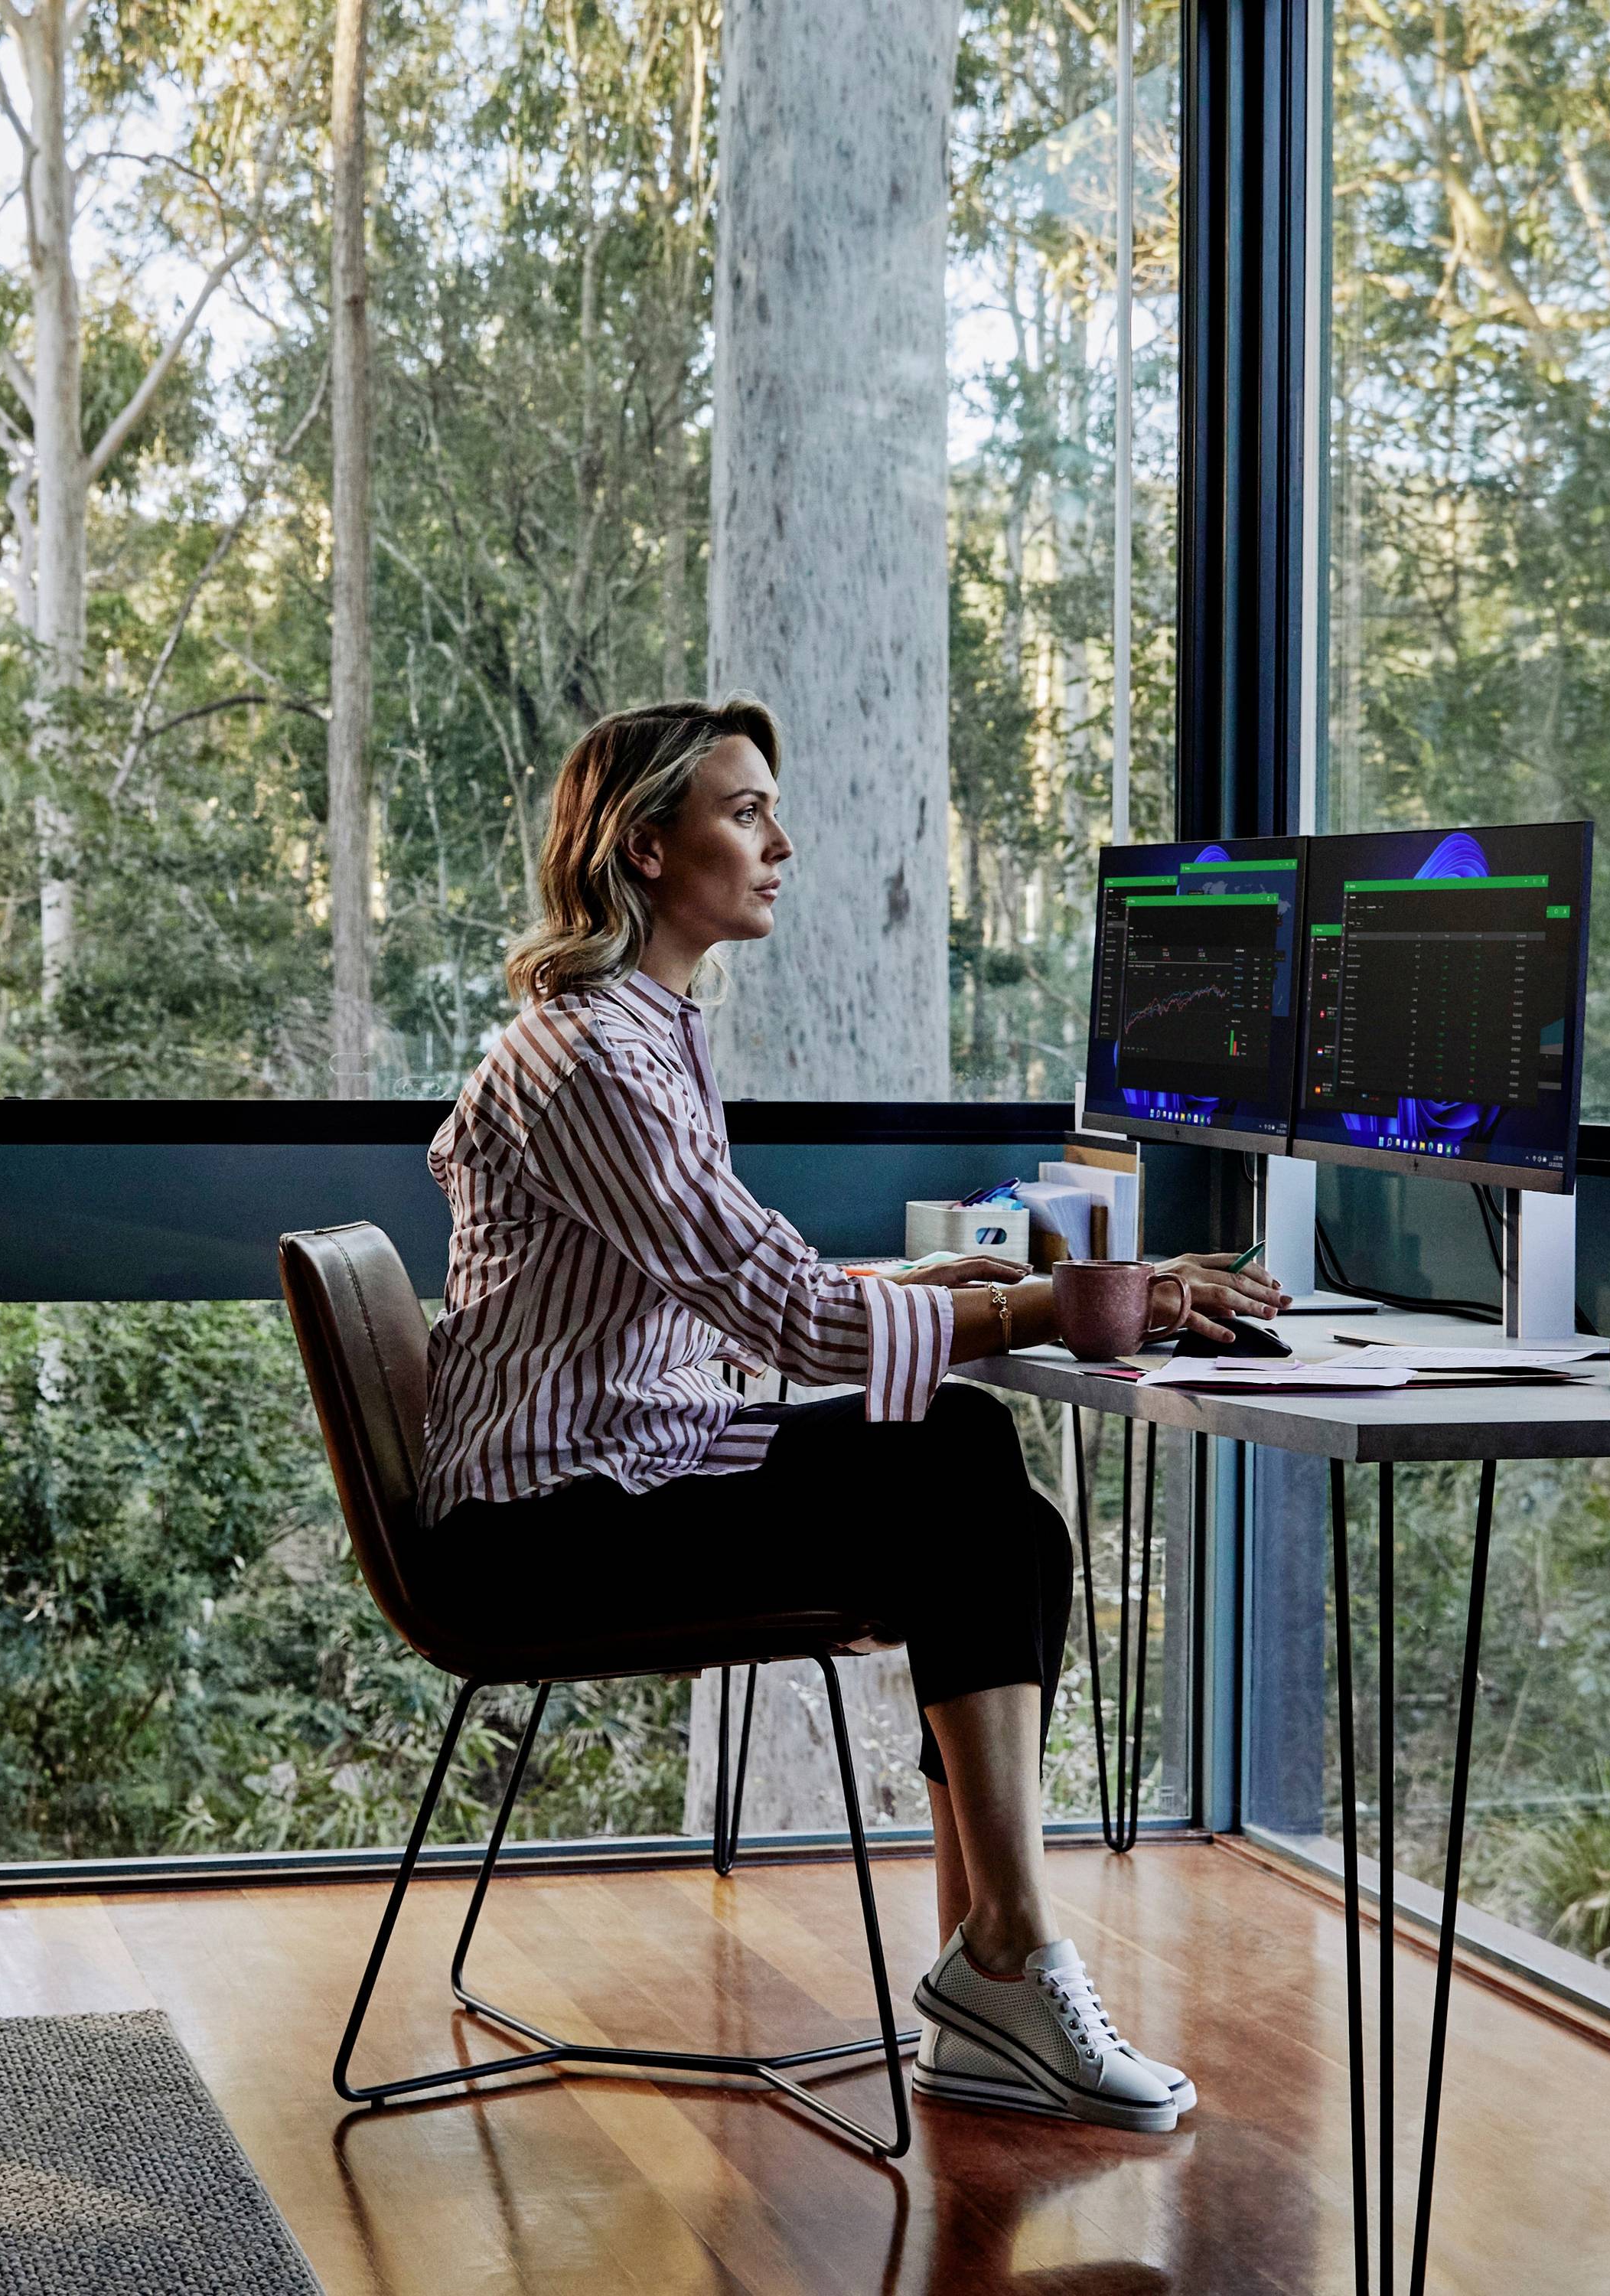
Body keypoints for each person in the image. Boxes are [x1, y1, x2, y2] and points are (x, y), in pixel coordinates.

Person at [425, 696, 1288, 2134]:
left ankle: (988, 1980)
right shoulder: (591, 1062)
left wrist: (931, 1285)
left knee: (1011, 1528)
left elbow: (732, 1285)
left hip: (624, 1474)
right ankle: (1010, 1962)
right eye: (745, 812)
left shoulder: (640, 1035)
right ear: (646, 848)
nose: (782, 844)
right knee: (955, 1453)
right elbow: (790, 1324)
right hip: (543, 1534)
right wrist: (1069, 1302)